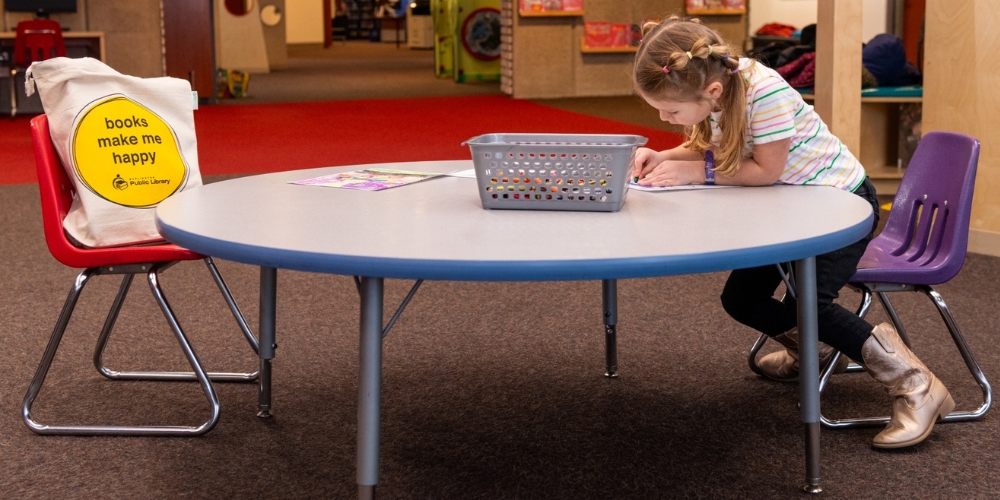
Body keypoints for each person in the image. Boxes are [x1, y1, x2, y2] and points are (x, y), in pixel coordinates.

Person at [630, 16, 953, 449]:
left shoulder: (766, 92)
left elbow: (764, 170)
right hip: (790, 208)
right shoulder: (717, 87)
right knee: (741, 299)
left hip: (841, 206)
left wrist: (694, 172)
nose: (666, 119)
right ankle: (817, 354)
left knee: (808, 303)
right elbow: (710, 143)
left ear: (710, 92)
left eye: (670, 111)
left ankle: (915, 382)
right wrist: (663, 155)